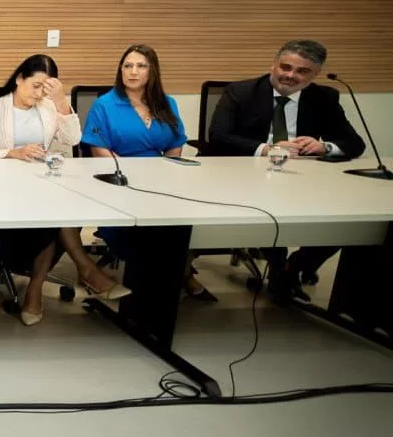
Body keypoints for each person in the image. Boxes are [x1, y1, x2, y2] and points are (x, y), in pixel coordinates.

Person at [0, 54, 130, 324]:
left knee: (64, 210)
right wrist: (13, 152)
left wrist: (60, 102)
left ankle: (37, 287)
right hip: (3, 190)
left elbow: (73, 139)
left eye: (44, 89)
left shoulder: (47, 107)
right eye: (35, 86)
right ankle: (84, 272)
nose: (38, 94)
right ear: (19, 79)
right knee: (57, 218)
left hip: (42, 185)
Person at [207, 39, 366, 301]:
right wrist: (267, 149)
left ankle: (297, 265)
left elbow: (355, 143)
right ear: (274, 64)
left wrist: (324, 146)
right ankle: (279, 269)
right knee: (273, 211)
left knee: (353, 218)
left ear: (315, 74)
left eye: (302, 71)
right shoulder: (241, 92)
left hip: (303, 177)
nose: (290, 75)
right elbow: (218, 136)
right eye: (286, 67)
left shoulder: (324, 97)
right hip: (246, 175)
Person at [84, 44, 213, 301]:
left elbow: (175, 143)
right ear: (120, 70)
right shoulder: (105, 105)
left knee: (190, 221)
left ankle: (179, 272)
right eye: (128, 66)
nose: (133, 72)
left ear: (152, 71)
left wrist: (168, 173)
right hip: (120, 183)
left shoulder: (167, 103)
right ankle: (160, 286)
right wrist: (135, 176)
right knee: (148, 234)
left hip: (162, 182)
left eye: (141, 66)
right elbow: (99, 149)